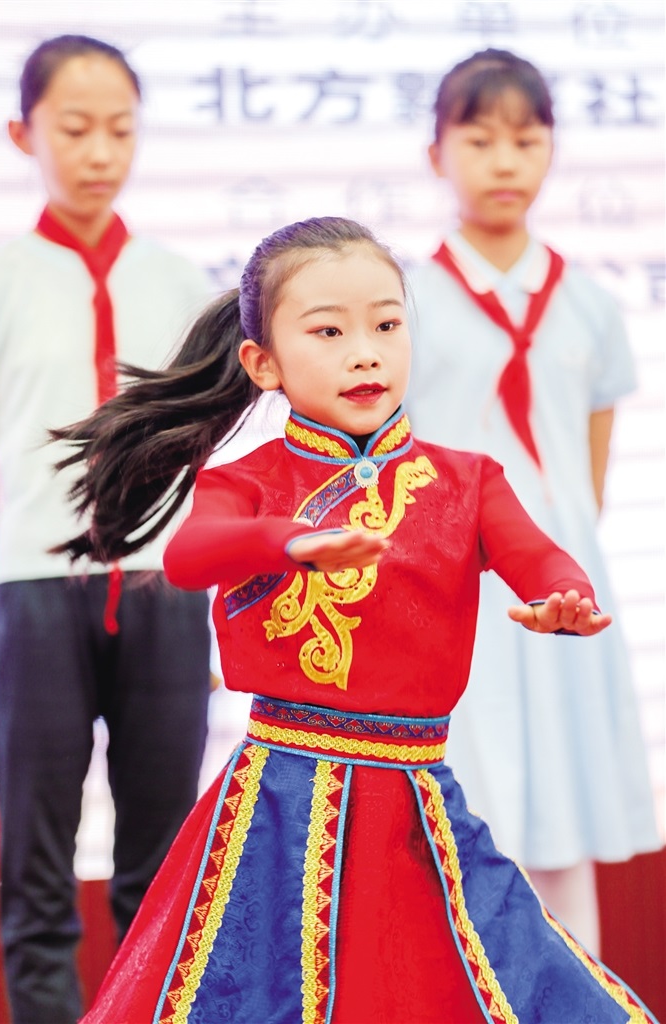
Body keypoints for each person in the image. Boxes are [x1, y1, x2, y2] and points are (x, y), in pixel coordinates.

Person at [51, 216, 657, 1023]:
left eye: (386, 325)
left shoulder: (467, 480)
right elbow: (191, 558)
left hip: (415, 797)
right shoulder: (245, 480)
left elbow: (540, 558)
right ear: (262, 364)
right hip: (279, 797)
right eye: (329, 332)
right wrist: (289, 540)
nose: (365, 352)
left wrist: (565, 597)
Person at [0, 36, 212, 1024]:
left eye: (119, 129)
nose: (99, 151)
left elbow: (205, 453)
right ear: (22, 133)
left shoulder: (182, 282)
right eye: (74, 129)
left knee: (162, 855)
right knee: (35, 848)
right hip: (36, 591)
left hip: (164, 591)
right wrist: (6, 583)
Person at [406, 48, 660, 953]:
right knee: (468, 805)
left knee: (564, 802)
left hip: (561, 589)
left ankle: (574, 994)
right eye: (479, 141)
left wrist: (553, 558)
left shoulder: (587, 303)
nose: (504, 162)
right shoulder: (404, 303)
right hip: (457, 590)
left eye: (526, 140)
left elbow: (588, 466)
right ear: (437, 153)